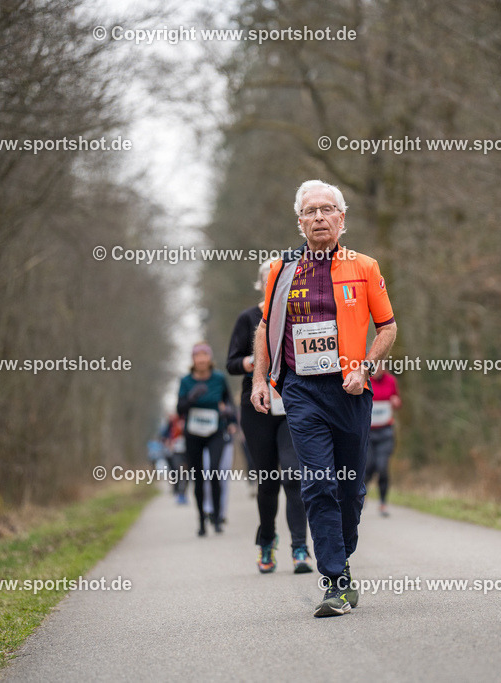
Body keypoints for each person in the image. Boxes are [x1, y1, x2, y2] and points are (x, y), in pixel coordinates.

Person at [251, 179, 397, 617]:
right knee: (317, 482)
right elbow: (265, 326)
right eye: (310, 211)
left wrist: (365, 367)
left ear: (342, 218)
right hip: (301, 390)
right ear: (299, 222)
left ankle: (342, 558)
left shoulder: (364, 266)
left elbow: (387, 326)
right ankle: (334, 580)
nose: (319, 217)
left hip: (350, 389)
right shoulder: (281, 270)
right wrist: (261, 380)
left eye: (327, 209)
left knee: (350, 489)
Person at [228, 261, 312, 574]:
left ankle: (300, 547)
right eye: (269, 280)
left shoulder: (298, 314)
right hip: (257, 406)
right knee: (267, 480)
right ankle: (266, 539)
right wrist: (257, 360)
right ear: (261, 284)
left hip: (292, 402)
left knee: (293, 475)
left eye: (280, 279)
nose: (274, 284)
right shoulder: (248, 318)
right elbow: (231, 363)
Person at [176, 343, 236, 536]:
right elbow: (179, 409)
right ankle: (201, 521)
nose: (201, 359)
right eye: (197, 355)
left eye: (204, 355)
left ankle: (217, 518)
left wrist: (231, 419)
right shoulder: (186, 381)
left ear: (210, 358)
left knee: (215, 471)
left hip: (215, 431)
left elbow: (228, 402)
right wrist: (190, 399)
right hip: (193, 434)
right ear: (193, 359)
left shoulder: (219, 378)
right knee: (198, 477)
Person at [365, 365, 401, 516]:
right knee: (368, 466)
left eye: (381, 366)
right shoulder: (365, 379)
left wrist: (396, 401)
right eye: (376, 367)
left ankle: (383, 503)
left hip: (385, 432)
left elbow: (397, 400)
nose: (379, 370)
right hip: (368, 433)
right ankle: (362, 493)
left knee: (382, 467)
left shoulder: (391, 380)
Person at [160, 413, 188, 505]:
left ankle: (183, 493)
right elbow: (164, 436)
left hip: (187, 450)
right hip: (175, 451)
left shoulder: (189, 418)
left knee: (185, 472)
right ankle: (178, 492)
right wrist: (168, 442)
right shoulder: (172, 422)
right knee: (178, 471)